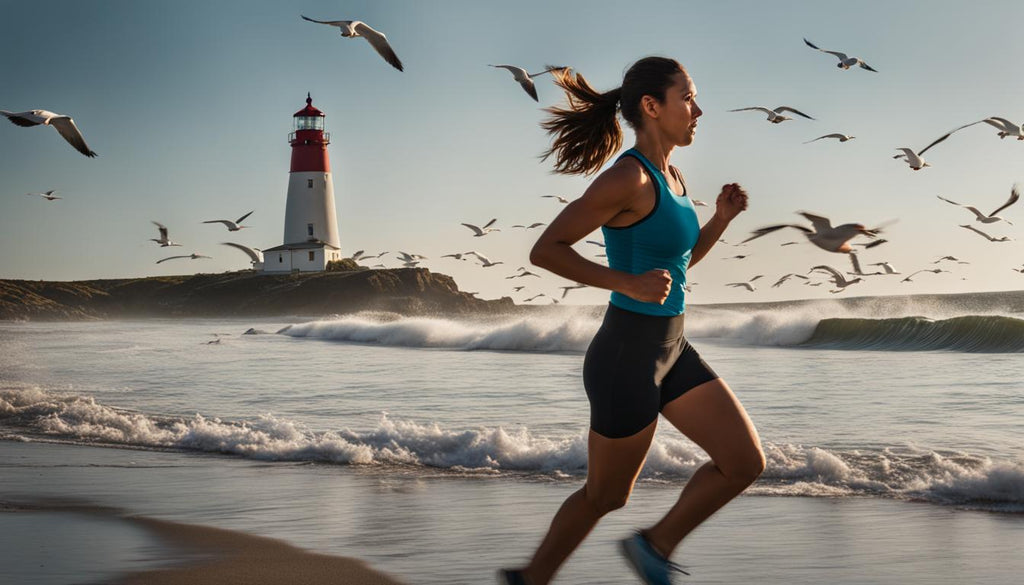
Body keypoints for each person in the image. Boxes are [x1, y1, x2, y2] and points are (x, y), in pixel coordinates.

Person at [498, 56, 766, 585]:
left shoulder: (673, 174)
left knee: (743, 462)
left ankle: (654, 545)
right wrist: (626, 282)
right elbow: (545, 250)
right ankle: (531, 580)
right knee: (606, 495)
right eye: (687, 97)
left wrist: (719, 220)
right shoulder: (627, 177)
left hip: (673, 348)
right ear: (651, 106)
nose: (698, 109)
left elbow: (679, 265)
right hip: (627, 355)